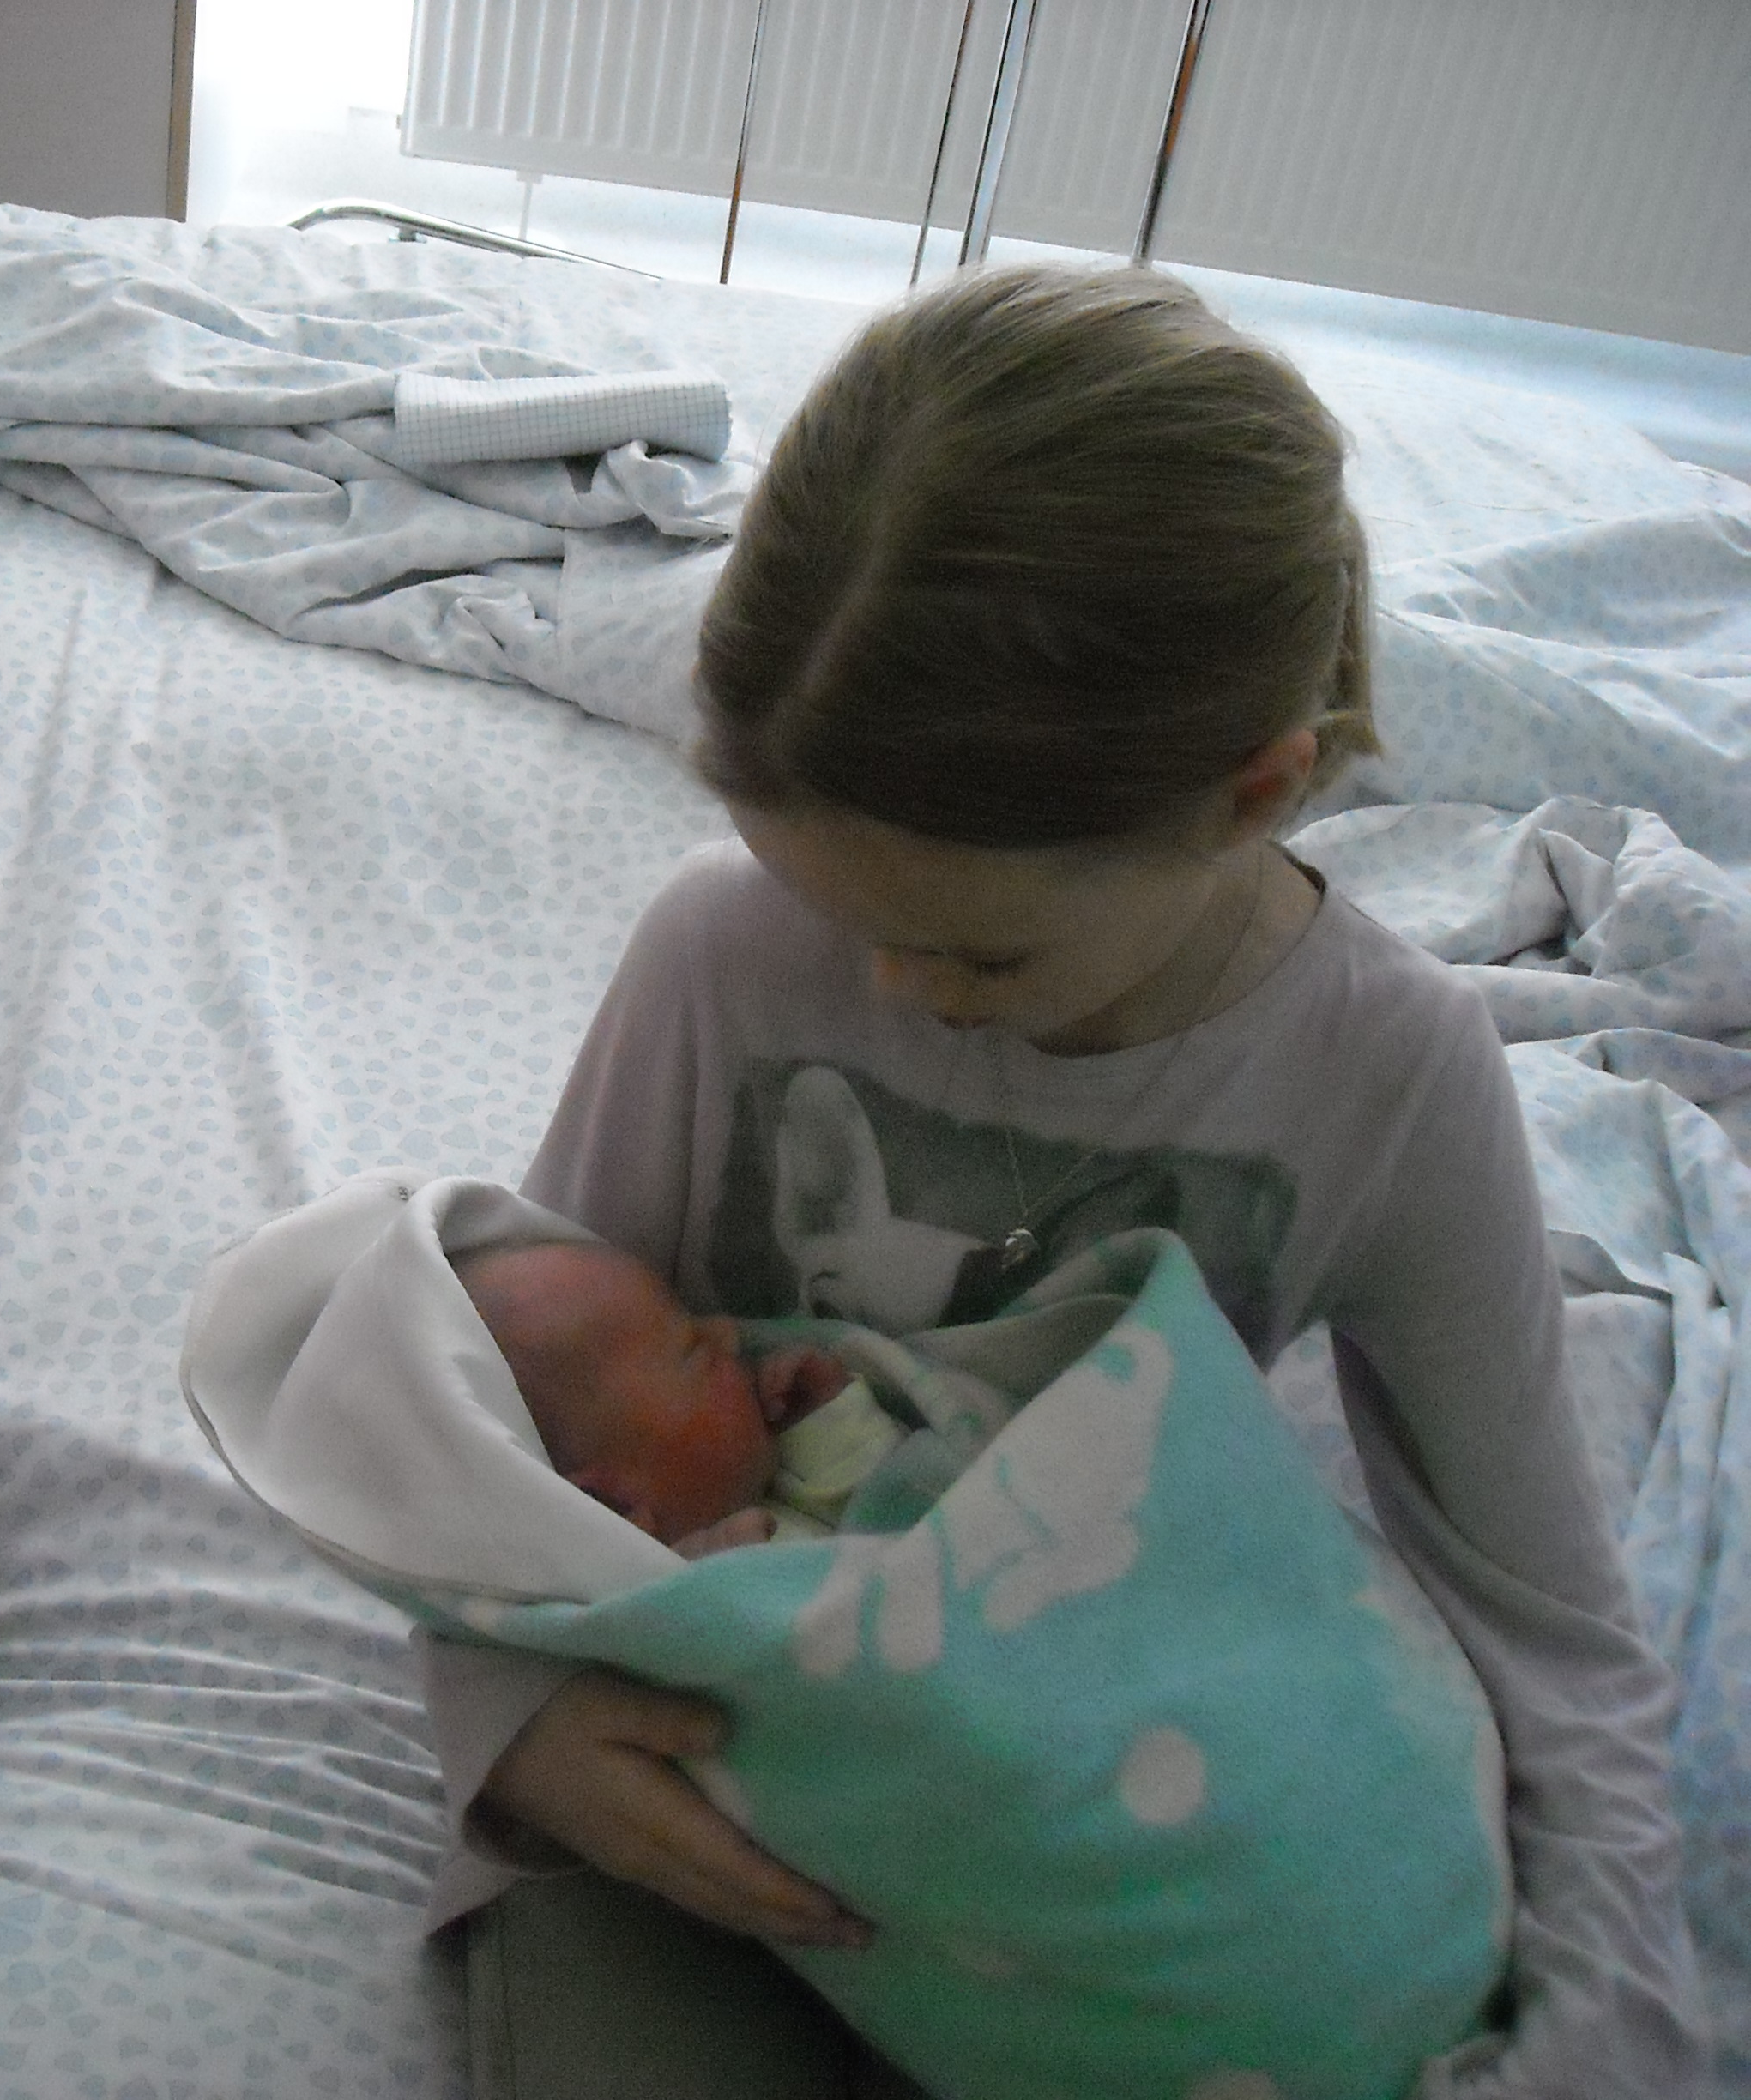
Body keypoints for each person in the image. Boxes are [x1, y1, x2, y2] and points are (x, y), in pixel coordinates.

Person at [423, 264, 1708, 2097]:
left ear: (1254, 791)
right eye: (827, 905)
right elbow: (485, 1433)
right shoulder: (724, 951)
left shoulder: (1386, 1073)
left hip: (1087, 1804)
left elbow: (1553, 1628)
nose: (889, 988)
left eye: (979, 953)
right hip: (733, 1793)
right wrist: (512, 1726)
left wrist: (1605, 2027)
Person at [455, 1237, 927, 1556]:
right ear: (613, 1505)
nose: (728, 1332)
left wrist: (823, 1416)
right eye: (695, 1354)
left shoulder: (756, 1485)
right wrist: (724, 1573)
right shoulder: (662, 1611)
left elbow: (898, 1510)